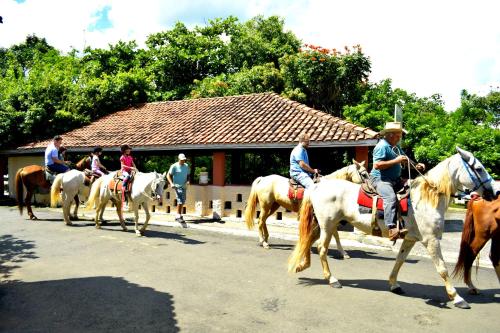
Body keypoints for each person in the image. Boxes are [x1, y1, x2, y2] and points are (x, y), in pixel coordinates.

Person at [370, 122, 425, 241]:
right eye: (398, 135)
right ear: (390, 135)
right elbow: (377, 165)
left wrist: (416, 165)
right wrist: (396, 161)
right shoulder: (381, 146)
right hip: (380, 179)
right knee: (390, 197)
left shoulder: (396, 147)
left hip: (395, 179)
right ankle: (391, 228)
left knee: (415, 187)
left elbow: (405, 160)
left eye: (400, 135)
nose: (400, 138)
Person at [167, 153, 190, 228]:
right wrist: (171, 183)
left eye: (184, 160)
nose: (183, 161)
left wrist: (188, 181)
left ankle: (179, 214)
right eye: (182, 160)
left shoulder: (186, 166)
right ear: (179, 159)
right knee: (180, 200)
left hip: (184, 186)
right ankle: (178, 216)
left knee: (183, 200)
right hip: (177, 186)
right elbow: (168, 175)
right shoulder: (174, 166)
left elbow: (188, 175)